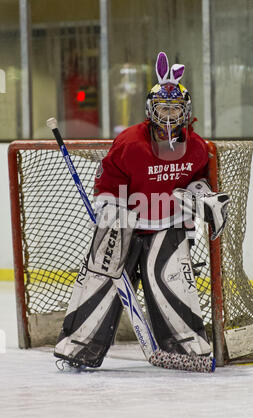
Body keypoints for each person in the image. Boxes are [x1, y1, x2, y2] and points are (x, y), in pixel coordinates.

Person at [54, 52, 230, 369]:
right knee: (101, 276)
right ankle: (80, 345)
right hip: (125, 221)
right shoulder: (129, 143)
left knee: (170, 279)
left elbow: (196, 181)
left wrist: (203, 198)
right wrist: (110, 207)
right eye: (163, 108)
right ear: (151, 110)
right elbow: (108, 182)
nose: (169, 115)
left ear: (186, 111)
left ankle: (184, 347)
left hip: (169, 223)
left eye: (175, 109)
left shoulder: (196, 147)